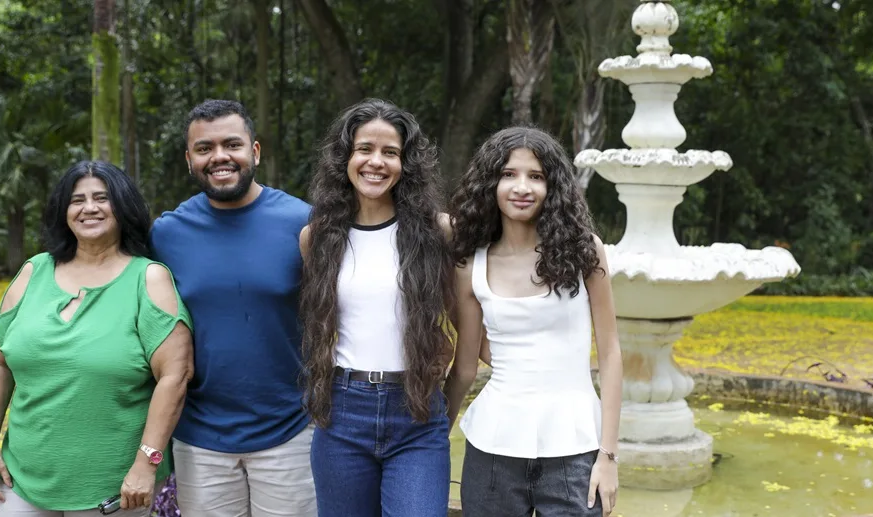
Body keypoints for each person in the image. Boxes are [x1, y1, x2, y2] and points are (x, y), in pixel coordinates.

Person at [0, 161, 194, 516]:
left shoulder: (148, 279)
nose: (89, 207)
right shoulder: (33, 271)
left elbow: (175, 376)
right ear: (64, 211)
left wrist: (146, 463)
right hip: (22, 476)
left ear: (123, 207)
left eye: (102, 198)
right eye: (77, 200)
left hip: (112, 486)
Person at [443, 126, 624, 517]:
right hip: (492, 451)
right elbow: (465, 367)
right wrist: (433, 434)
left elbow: (609, 354)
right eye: (508, 174)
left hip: (575, 451)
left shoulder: (584, 252)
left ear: (552, 186)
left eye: (536, 176)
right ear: (490, 184)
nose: (521, 187)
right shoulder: (471, 265)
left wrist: (608, 456)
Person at [148, 99, 316, 516]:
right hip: (199, 436)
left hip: (291, 429)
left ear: (254, 152)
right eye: (204, 148)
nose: (219, 156)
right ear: (190, 160)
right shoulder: (167, 234)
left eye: (232, 144)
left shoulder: (304, 222)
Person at [299, 98, 455, 517]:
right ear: (345, 157)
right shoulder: (317, 237)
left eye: (391, 152)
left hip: (417, 412)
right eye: (364, 149)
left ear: (407, 164)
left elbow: (467, 322)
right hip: (342, 413)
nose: (376, 162)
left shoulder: (436, 232)